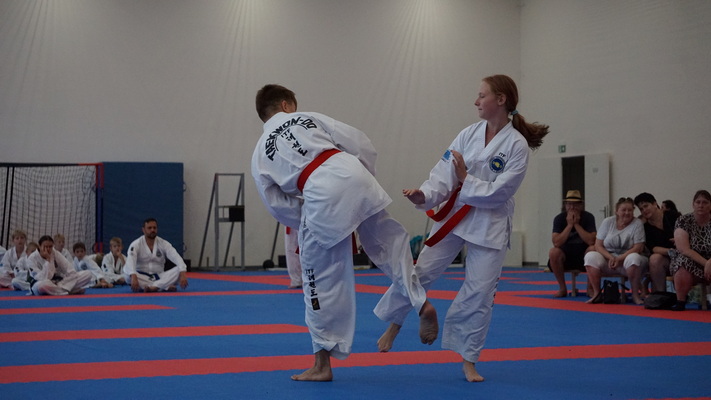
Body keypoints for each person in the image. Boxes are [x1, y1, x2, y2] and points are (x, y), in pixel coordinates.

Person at [251, 84, 437, 382]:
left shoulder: (260, 151)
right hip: (351, 171)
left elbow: (275, 204)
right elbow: (360, 142)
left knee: (319, 281)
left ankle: (321, 365)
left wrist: (306, 217)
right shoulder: (308, 118)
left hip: (319, 192)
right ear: (286, 105)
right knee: (390, 243)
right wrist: (364, 180)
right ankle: (420, 301)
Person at [374, 74, 549, 382]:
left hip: (489, 222)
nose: (476, 101)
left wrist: (466, 178)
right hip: (455, 215)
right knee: (420, 273)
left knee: (480, 292)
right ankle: (395, 324)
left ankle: (469, 359)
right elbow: (444, 173)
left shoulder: (516, 146)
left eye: (482, 95)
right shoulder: (468, 134)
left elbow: (501, 192)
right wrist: (424, 195)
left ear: (501, 100)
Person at [584, 197, 647, 305]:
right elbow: (598, 245)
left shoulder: (637, 223)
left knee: (634, 258)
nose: (627, 213)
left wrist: (619, 259)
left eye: (630, 210)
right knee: (590, 256)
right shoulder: (608, 222)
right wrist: (611, 258)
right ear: (617, 211)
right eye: (623, 210)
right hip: (609, 260)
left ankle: (635, 295)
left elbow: (638, 247)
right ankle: (596, 294)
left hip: (628, 260)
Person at [668, 190, 711, 311]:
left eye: (705, 202)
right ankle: (681, 301)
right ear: (693, 204)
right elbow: (684, 249)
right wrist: (707, 263)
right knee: (683, 261)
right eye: (698, 202)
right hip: (692, 260)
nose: (701, 205)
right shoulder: (683, 220)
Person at [548, 190, 597, 297]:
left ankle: (590, 288)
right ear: (565, 205)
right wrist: (570, 225)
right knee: (553, 252)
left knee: (593, 249)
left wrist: (577, 225)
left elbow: (591, 241)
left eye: (575, 204)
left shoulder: (588, 217)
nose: (572, 207)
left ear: (581, 205)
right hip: (566, 257)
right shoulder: (559, 219)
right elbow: (556, 242)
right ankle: (562, 288)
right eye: (569, 204)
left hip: (584, 256)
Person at [124, 218, 188, 293]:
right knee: (127, 275)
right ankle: (163, 286)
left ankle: (154, 287)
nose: (152, 230)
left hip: (160, 276)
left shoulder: (163, 243)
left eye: (154, 228)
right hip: (142, 276)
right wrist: (133, 275)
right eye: (149, 228)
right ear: (143, 230)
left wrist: (182, 272)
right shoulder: (136, 244)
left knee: (179, 270)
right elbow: (130, 261)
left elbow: (176, 256)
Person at [634, 192, 678, 293]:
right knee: (654, 259)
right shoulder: (645, 228)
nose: (644, 210)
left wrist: (680, 241)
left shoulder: (673, 216)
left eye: (646, 206)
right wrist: (671, 252)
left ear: (654, 203)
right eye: (641, 209)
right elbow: (653, 248)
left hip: (684, 254)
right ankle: (660, 294)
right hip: (668, 257)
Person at [27, 235, 93, 295]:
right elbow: (41, 278)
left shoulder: (54, 253)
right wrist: (48, 260)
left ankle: (61, 290)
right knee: (42, 286)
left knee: (88, 274)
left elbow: (68, 267)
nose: (48, 249)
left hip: (58, 283)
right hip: (41, 283)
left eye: (50, 246)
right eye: (45, 246)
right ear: (39, 246)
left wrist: (70, 277)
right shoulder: (32, 258)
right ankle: (69, 291)